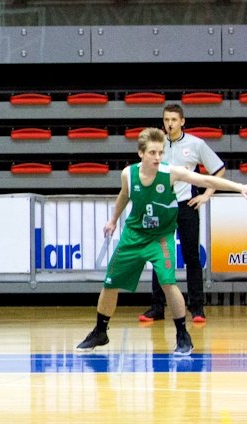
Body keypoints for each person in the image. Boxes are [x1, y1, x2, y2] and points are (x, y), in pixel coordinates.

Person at [75, 127, 247, 357]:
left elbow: (203, 178)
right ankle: (100, 330)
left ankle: (182, 334)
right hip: (134, 235)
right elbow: (124, 195)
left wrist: (240, 187)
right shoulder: (128, 174)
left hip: (161, 237)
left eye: (160, 152)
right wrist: (113, 219)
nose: (158, 157)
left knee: (168, 283)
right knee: (110, 283)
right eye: (153, 153)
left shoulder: (171, 172)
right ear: (141, 154)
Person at [140, 104, 225, 324]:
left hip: (186, 206)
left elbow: (218, 168)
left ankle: (197, 309)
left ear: (182, 121)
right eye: (166, 119)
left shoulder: (196, 144)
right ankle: (157, 308)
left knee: (191, 257)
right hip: (161, 207)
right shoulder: (156, 145)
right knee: (159, 257)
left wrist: (206, 195)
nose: (170, 124)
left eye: (174, 120)